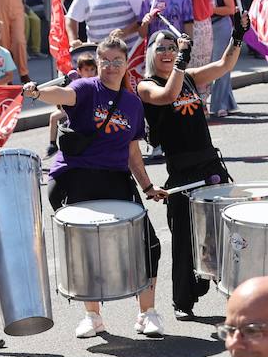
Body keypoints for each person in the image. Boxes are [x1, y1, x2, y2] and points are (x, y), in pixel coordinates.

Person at [24, 36, 168, 338]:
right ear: (98, 62)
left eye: (118, 61)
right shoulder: (86, 88)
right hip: (74, 175)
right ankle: (93, 317)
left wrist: (147, 186)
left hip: (114, 178)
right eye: (106, 61)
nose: (112, 66)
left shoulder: (132, 104)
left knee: (148, 244)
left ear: (127, 63)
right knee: (86, 248)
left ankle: (147, 312)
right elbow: (61, 94)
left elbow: (132, 153)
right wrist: (37, 91)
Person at [139, 21, 244, 318]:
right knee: (184, 237)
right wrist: (182, 60)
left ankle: (233, 300)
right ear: (151, 53)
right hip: (183, 170)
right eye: (162, 48)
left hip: (210, 163)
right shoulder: (147, 85)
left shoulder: (189, 76)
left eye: (172, 47)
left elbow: (224, 64)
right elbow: (168, 97)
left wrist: (238, 35)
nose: (168, 52)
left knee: (222, 234)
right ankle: (183, 301)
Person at [198, 0, 240, 117]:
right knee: (208, 65)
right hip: (204, 28)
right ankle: (227, 101)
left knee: (222, 65)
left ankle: (219, 104)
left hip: (221, 26)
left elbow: (231, 9)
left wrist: (209, 9)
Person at [45, 49, 99, 156]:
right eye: (86, 69)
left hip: (92, 111)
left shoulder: (97, 82)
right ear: (79, 71)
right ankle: (52, 144)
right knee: (53, 117)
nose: (89, 73)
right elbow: (65, 96)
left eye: (92, 69)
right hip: (75, 110)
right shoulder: (75, 82)